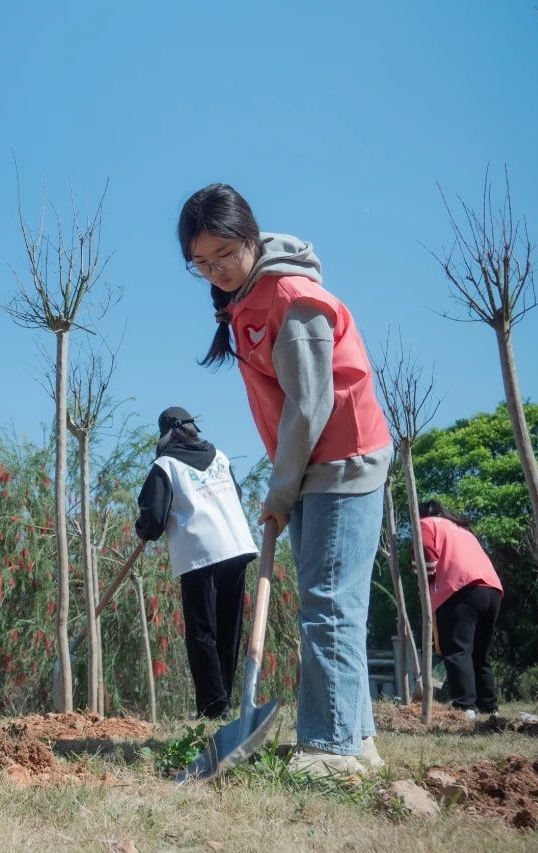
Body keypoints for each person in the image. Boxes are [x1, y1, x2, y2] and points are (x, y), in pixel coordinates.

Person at [176, 184, 393, 778]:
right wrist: (286, 483)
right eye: (202, 263)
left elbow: (310, 403)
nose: (216, 271)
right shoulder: (244, 298)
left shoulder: (292, 299)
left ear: (250, 237)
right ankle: (358, 740)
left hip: (342, 458)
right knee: (331, 603)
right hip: (311, 464)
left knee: (328, 605)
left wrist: (280, 487)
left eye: (224, 255)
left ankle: (330, 748)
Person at [135, 407, 258, 720]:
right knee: (229, 628)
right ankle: (222, 702)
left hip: (200, 553)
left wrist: (144, 531)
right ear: (191, 428)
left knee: (202, 632)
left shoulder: (165, 466)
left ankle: (213, 707)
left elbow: (154, 517)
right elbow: (236, 495)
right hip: (237, 546)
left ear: (165, 434)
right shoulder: (220, 458)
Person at [419, 499, 504, 722]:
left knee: (457, 650)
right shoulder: (462, 530)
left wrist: (423, 576)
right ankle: (490, 708)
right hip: (492, 590)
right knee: (480, 654)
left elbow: (426, 555)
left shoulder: (426, 524)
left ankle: (465, 706)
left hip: (460, 589)